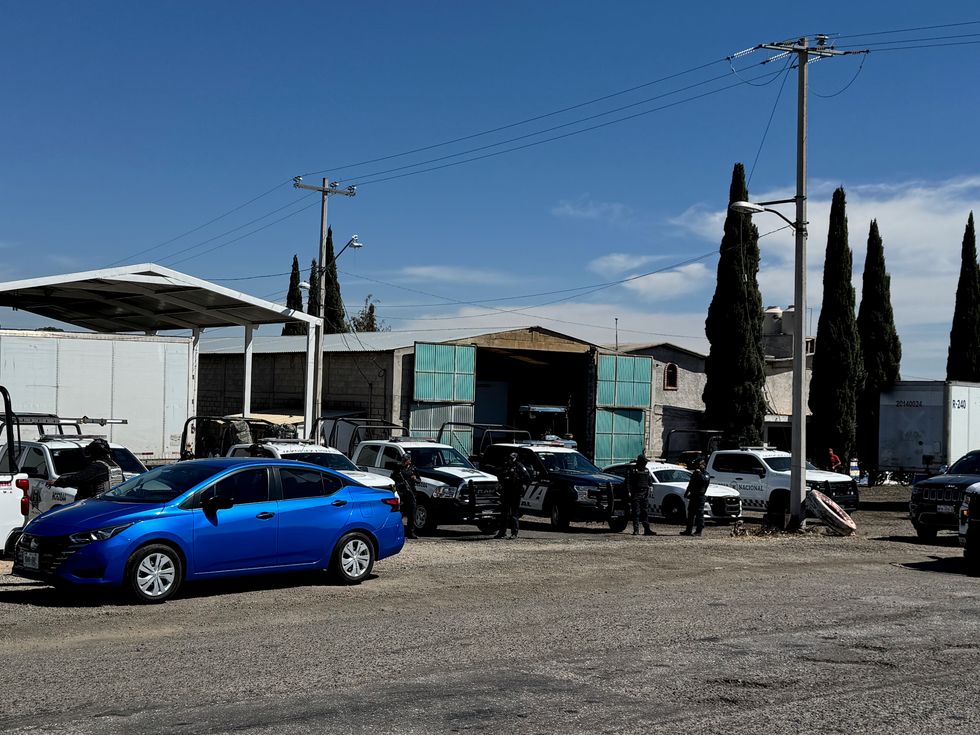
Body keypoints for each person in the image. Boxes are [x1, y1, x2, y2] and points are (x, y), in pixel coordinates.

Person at [48, 438, 123, 502]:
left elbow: (77, 479)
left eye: (90, 452)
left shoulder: (97, 466)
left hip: (94, 505)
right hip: (112, 503)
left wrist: (57, 482)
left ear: (94, 453)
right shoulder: (116, 466)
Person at [494, 452, 530, 539]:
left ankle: (514, 533)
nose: (510, 459)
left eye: (512, 458)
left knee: (514, 513)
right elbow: (500, 476)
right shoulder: (506, 466)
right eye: (510, 458)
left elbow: (527, 477)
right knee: (504, 513)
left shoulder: (519, 467)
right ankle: (502, 532)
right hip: (506, 492)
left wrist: (522, 486)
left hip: (515, 492)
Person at [391, 453, 420, 539]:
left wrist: (415, 479)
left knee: (412, 514)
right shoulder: (398, 469)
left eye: (407, 460)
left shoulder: (413, 469)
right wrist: (398, 487)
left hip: (411, 493)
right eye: (404, 460)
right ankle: (397, 532)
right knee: (400, 513)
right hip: (402, 493)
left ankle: (410, 532)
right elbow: (392, 480)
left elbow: (419, 480)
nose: (406, 461)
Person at [626, 453, 655, 536]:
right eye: (644, 462)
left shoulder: (646, 470)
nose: (645, 463)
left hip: (644, 493)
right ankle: (636, 530)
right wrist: (629, 491)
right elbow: (628, 482)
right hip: (636, 493)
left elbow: (650, 481)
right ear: (640, 462)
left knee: (645, 512)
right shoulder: (633, 470)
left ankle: (647, 529)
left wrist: (651, 486)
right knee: (636, 512)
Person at [681, 457, 710, 536]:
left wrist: (699, 474)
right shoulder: (695, 473)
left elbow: (704, 480)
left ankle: (698, 531)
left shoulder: (705, 474)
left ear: (703, 465)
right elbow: (691, 484)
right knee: (690, 513)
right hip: (693, 496)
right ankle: (688, 530)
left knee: (699, 514)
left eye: (699, 465)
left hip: (700, 497)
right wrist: (687, 492)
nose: (697, 466)